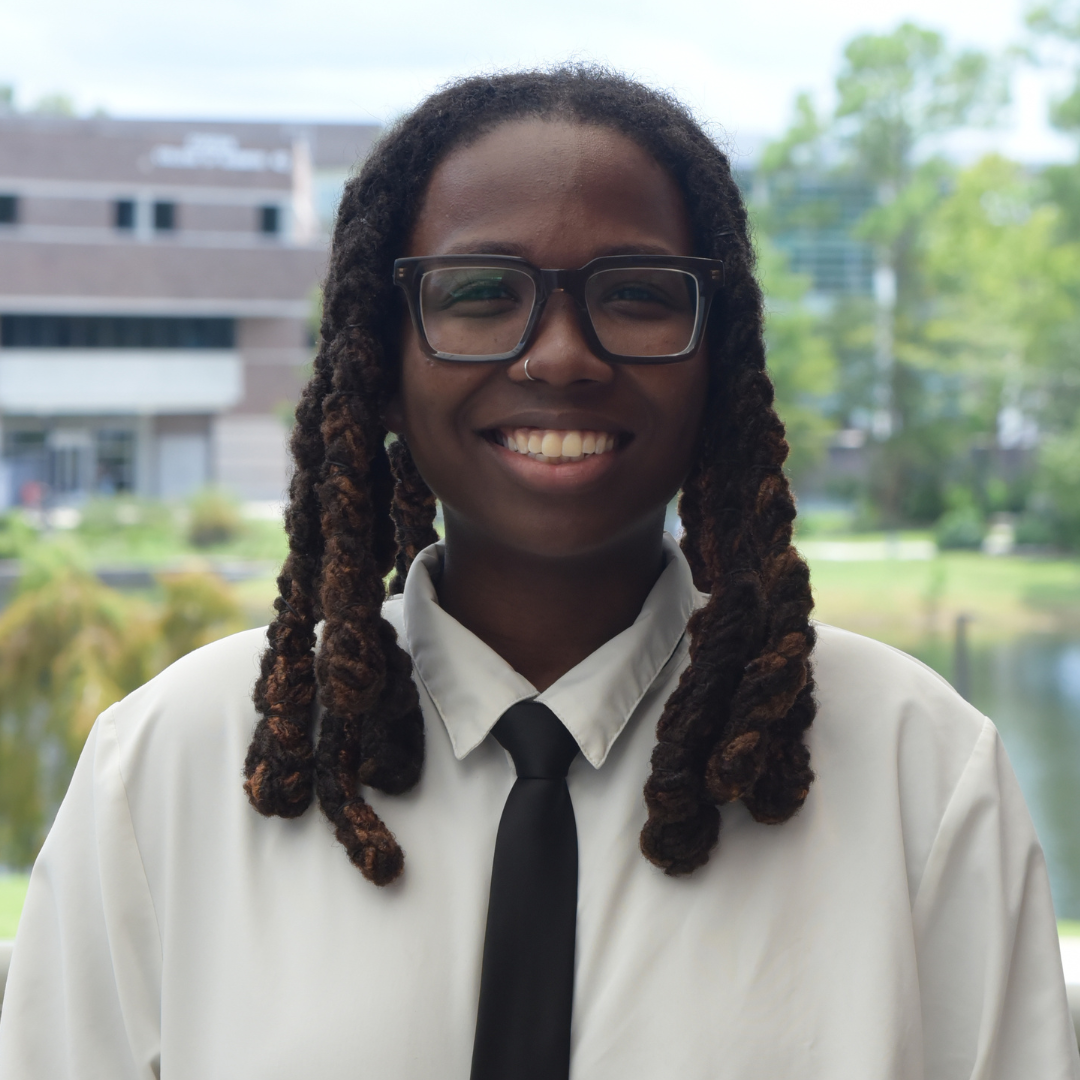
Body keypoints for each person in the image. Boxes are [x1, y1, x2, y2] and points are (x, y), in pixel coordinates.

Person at [0, 68, 1077, 1080]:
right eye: (479, 292)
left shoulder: (919, 776)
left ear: (721, 365)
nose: (561, 355)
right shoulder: (168, 769)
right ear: (380, 362)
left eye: (637, 294)